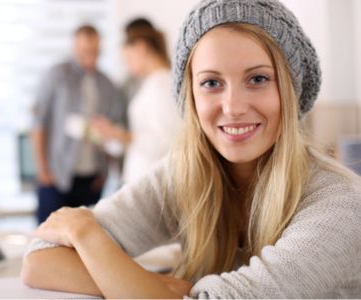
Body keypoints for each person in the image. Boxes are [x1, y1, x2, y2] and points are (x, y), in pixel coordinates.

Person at [22, 0, 361, 298]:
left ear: (289, 89)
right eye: (211, 83)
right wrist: (160, 288)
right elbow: (40, 259)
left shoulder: (341, 205)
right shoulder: (184, 174)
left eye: (258, 79)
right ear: (191, 97)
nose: (232, 107)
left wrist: (88, 234)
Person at [30, 24, 125, 224]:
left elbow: (111, 131)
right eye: (84, 51)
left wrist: (104, 173)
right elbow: (39, 123)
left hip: (91, 180)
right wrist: (43, 170)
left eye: (95, 51)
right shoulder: (56, 75)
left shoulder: (107, 84)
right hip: (57, 176)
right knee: (48, 242)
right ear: (74, 48)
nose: (90, 56)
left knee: (83, 243)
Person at [91, 19, 182, 183]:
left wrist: (119, 134)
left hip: (153, 181)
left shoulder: (161, 85)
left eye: (127, 58)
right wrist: (113, 135)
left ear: (140, 48)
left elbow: (167, 143)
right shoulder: (151, 83)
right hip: (143, 178)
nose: (127, 65)